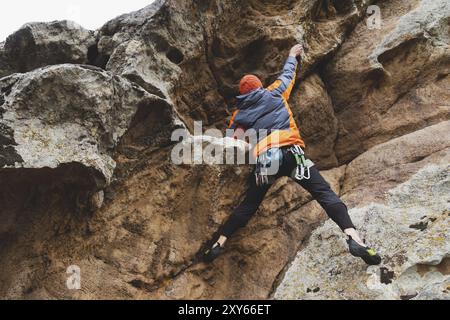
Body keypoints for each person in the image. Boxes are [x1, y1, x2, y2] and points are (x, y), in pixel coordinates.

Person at [203, 44, 381, 266]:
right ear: (259, 87)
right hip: (292, 153)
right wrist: (291, 56)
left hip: (267, 161)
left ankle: (219, 242)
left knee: (248, 205)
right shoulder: (274, 92)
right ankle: (354, 237)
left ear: (242, 94)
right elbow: (288, 75)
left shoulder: (239, 115)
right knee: (324, 193)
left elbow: (233, 142)